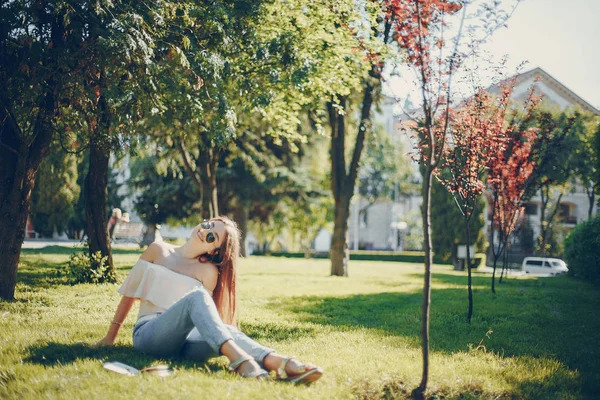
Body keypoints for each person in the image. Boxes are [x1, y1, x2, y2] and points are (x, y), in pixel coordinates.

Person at [96, 216, 323, 382]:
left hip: (184, 345)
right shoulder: (158, 250)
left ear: (214, 250)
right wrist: (110, 336)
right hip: (149, 335)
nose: (204, 231)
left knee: (227, 331)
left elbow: (208, 321)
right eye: (207, 225)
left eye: (212, 235)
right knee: (196, 298)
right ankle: (242, 362)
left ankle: (278, 362)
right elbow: (130, 292)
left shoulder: (208, 273)